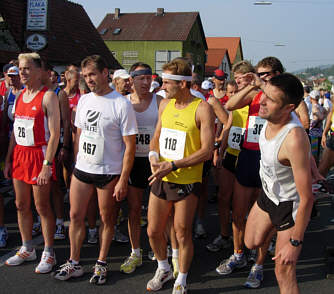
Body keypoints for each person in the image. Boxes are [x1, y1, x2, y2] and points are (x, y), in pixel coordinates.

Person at [54, 55, 137, 284]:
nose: (88, 79)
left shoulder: (121, 103)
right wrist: (75, 162)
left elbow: (130, 146)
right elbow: (79, 133)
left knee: (106, 219)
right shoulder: (84, 100)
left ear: (105, 73)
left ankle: (101, 263)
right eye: (85, 75)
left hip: (109, 171)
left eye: (92, 74)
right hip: (83, 168)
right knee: (75, 215)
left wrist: (122, 179)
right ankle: (74, 261)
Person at [146, 58, 215, 293]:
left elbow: (207, 151)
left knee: (182, 231)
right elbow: (157, 134)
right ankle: (164, 267)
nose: (162, 86)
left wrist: (174, 165)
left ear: (183, 84)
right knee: (153, 230)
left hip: (186, 179)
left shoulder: (202, 108)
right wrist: (154, 155)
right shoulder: (165, 104)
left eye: (167, 82)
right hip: (162, 175)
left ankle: (182, 279)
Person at [244, 73, 314, 294]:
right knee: (250, 242)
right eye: (264, 95)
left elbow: (307, 198)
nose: (261, 101)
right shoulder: (269, 112)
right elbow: (263, 88)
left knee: (283, 272)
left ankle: (284, 234)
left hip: (289, 207)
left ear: (288, 108)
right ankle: (276, 231)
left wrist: (294, 242)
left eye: (271, 100)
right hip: (268, 196)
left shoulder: (293, 138)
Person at [4, 52, 60, 274]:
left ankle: (48, 250)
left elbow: (55, 134)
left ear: (39, 71)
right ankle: (27, 247)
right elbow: (14, 134)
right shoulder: (18, 96)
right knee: (20, 205)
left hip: (39, 155)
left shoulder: (48, 97)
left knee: (42, 206)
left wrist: (48, 164)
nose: (22, 72)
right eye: (20, 68)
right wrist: (8, 159)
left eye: (27, 68)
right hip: (20, 155)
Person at [119, 62, 163, 274]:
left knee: (161, 213)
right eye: (141, 78)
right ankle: (135, 251)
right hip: (133, 161)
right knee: (134, 209)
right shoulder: (123, 102)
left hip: (155, 161)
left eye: (149, 78)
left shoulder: (160, 101)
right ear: (132, 81)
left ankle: (161, 248)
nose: (146, 82)